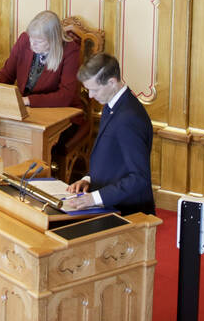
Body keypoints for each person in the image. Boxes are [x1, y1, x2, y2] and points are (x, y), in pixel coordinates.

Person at [61, 52, 154, 215]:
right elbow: (112, 157)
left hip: (127, 211)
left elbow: (139, 177)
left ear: (112, 82)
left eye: (94, 89)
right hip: (111, 203)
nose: (90, 96)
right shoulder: (112, 104)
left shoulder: (129, 118)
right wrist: (88, 179)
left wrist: (94, 198)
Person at [0, 11, 81, 108]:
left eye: (39, 41)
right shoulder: (24, 39)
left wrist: (28, 100)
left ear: (53, 40)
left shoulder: (70, 50)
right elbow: (7, 74)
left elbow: (66, 95)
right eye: (31, 38)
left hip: (57, 110)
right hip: (25, 107)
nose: (32, 44)